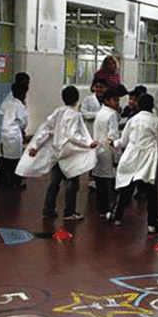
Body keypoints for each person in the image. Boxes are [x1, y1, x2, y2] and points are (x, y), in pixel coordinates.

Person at [15, 86, 98, 221]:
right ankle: (69, 212)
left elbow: (46, 130)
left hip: (56, 151)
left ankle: (48, 209)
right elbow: (73, 135)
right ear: (77, 99)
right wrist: (88, 143)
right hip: (69, 153)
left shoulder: (58, 112)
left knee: (54, 182)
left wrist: (36, 146)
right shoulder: (74, 115)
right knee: (72, 182)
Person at [108, 94, 158, 234]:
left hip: (131, 157)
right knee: (151, 193)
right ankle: (152, 224)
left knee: (126, 189)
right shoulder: (156, 121)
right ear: (152, 106)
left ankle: (117, 217)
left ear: (139, 105)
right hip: (148, 160)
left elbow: (123, 141)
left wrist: (114, 143)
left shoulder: (133, 120)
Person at [91, 88, 122, 218]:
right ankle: (111, 210)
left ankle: (102, 209)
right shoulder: (112, 115)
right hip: (108, 151)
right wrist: (117, 155)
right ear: (107, 100)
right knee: (111, 183)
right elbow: (113, 136)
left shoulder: (100, 112)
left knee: (100, 183)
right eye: (115, 100)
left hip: (98, 150)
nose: (117, 103)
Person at [0, 81, 28, 189]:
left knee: (5, 159)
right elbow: (24, 121)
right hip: (14, 135)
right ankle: (15, 183)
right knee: (15, 161)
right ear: (23, 94)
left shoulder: (7, 102)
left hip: (4, 133)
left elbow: (1, 112)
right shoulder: (19, 106)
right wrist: (23, 130)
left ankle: (2, 181)